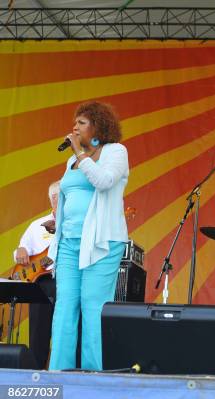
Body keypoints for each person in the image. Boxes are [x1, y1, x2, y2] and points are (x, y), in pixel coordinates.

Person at [47, 101, 129, 371]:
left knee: (93, 306)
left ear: (97, 125)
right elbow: (67, 196)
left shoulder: (115, 151)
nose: (74, 127)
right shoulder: (72, 160)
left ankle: (93, 374)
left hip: (100, 242)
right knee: (65, 307)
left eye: (81, 123)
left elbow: (104, 182)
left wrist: (82, 156)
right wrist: (57, 221)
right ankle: (58, 373)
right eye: (74, 123)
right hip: (69, 242)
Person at [12, 181, 59, 369]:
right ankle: (35, 374)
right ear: (52, 199)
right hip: (42, 284)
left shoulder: (77, 225)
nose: (58, 200)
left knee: (66, 332)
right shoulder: (37, 226)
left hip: (66, 280)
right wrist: (21, 250)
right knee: (38, 331)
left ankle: (65, 373)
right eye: (55, 196)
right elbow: (19, 251)